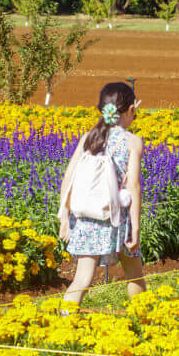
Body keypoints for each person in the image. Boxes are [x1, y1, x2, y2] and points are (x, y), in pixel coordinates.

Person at [58, 81, 147, 306]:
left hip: (88, 217)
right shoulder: (132, 142)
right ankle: (145, 319)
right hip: (119, 219)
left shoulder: (89, 137)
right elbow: (133, 187)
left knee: (82, 278)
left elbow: (68, 178)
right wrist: (135, 229)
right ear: (130, 110)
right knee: (135, 275)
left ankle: (64, 324)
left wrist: (64, 218)